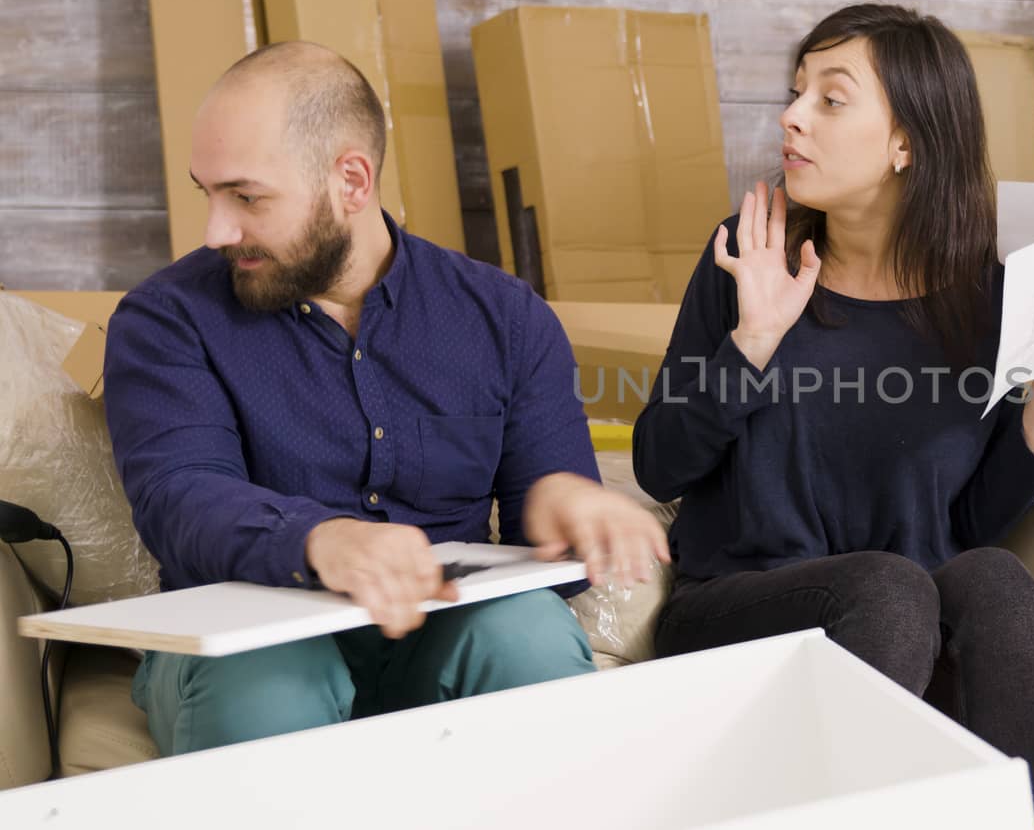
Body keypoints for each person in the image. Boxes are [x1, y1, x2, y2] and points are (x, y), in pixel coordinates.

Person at [632, 4, 1034, 830]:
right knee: (893, 590)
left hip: (904, 617)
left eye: (831, 100)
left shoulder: (990, 300)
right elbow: (660, 464)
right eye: (796, 94)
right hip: (737, 603)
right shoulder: (748, 256)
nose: (792, 117)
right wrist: (753, 340)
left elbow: (969, 521)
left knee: (996, 582)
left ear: (909, 143)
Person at [104, 41, 668, 756]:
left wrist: (563, 501)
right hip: (247, 639)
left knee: (525, 632)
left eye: (246, 197)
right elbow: (179, 496)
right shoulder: (166, 319)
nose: (217, 230)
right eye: (207, 194)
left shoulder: (504, 317)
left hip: (436, 633)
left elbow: (543, 525)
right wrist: (320, 539)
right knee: (270, 680)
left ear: (352, 180)